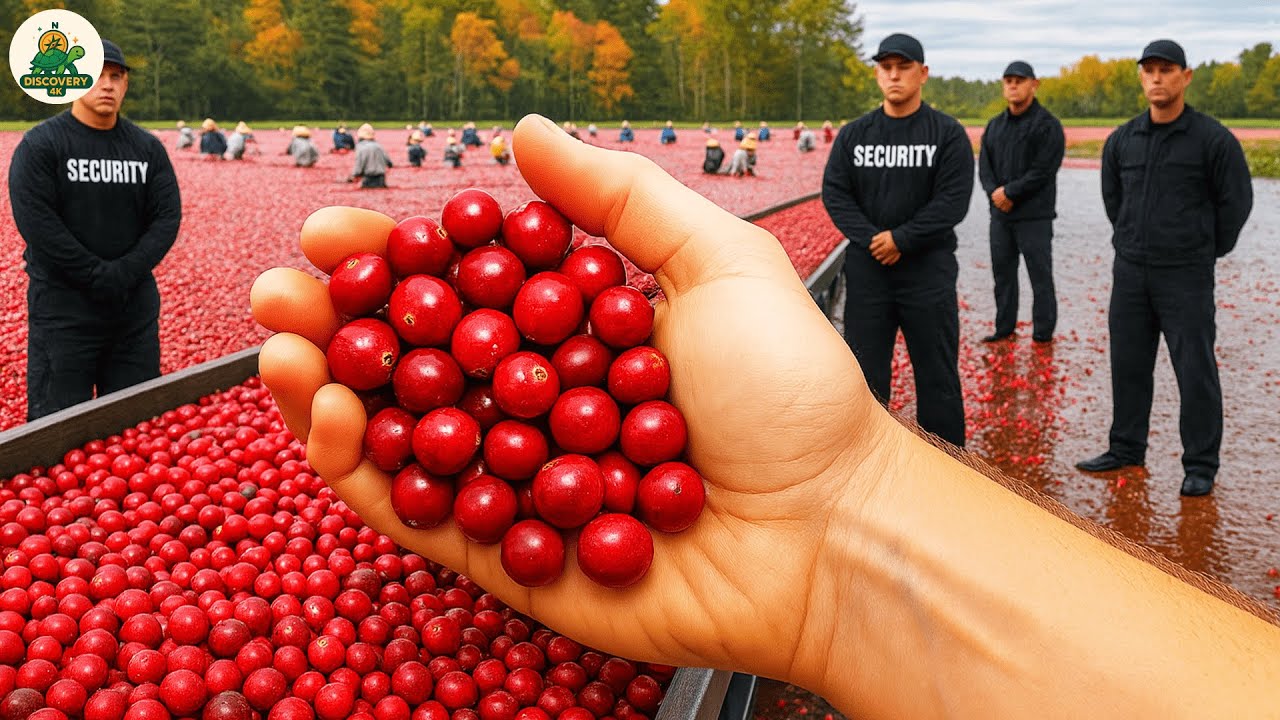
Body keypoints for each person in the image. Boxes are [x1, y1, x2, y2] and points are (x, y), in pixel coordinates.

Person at [250, 113, 1280, 720]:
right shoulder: (861, 141)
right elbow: (833, 190)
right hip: (639, 435)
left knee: (955, 369)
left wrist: (840, 502)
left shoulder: (977, 138)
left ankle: (1180, 459)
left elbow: (967, 198)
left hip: (959, 268)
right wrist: (846, 514)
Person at [1076, 40, 1253, 497]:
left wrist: (1203, 249)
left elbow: (1236, 203)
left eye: (1166, 70)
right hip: (1131, 271)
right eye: (1149, 70)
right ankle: (1126, 448)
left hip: (1186, 274)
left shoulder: (1213, 140)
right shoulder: (1122, 140)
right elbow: (1114, 199)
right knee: (1128, 365)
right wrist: (1133, 239)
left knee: (1194, 370)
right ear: (1141, 77)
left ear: (1185, 77)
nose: (1157, 78)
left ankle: (1200, 464)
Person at [8, 39, 181, 421]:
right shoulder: (41, 145)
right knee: (56, 430)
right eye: (95, 75)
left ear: (126, 84)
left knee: (133, 426)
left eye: (116, 76)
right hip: (63, 312)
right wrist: (96, 274)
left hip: (132, 314)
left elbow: (167, 217)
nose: (107, 85)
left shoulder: (147, 148)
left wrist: (123, 273)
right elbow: (38, 223)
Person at [821, 33, 974, 447]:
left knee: (937, 373)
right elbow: (835, 193)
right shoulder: (855, 135)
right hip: (870, 273)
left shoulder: (947, 134)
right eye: (886, 67)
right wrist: (873, 238)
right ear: (877, 73)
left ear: (922, 73)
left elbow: (952, 201)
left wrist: (903, 239)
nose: (894, 74)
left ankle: (948, 463)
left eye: (903, 67)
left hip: (928, 273)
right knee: (866, 376)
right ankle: (867, 457)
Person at [977, 61, 1065, 344]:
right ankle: (1004, 328)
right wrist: (995, 194)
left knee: (1040, 277)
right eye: (1008, 81)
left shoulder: (1048, 125)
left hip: (1034, 217)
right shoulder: (994, 126)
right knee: (1002, 276)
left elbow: (1043, 170)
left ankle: (1042, 333)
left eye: (1019, 80)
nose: (1013, 85)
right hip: (1000, 217)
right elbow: (985, 167)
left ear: (1033, 84)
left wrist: (1010, 193)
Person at [347, 124, 392, 188]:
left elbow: (359, 164)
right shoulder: (379, 146)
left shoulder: (360, 147)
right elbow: (389, 162)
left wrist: (354, 175)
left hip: (368, 178)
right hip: (381, 177)